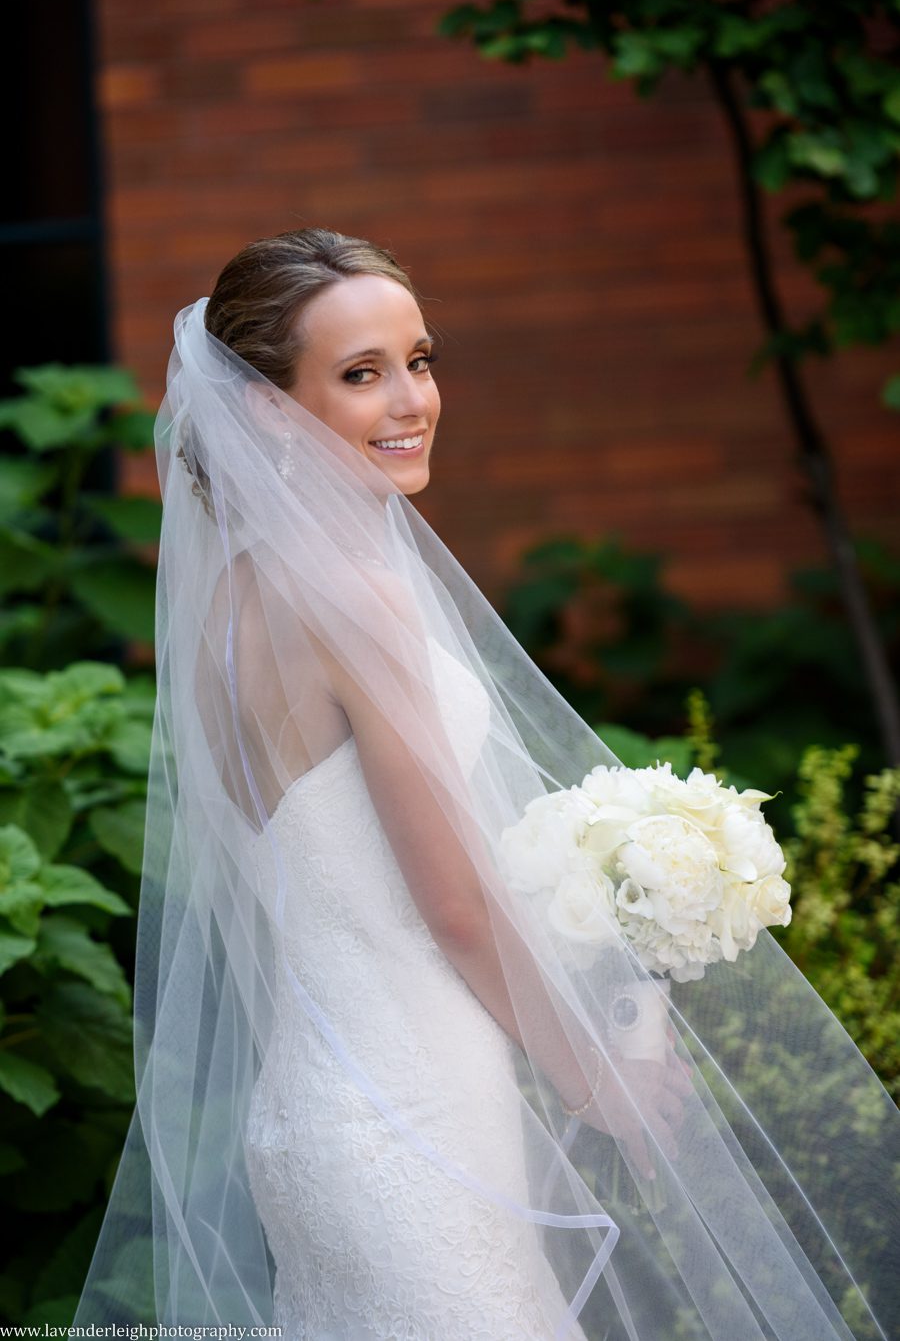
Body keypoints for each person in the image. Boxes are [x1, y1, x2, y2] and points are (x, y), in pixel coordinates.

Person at [72, 228, 899, 1340]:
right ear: (269, 408)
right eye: (361, 373)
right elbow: (452, 903)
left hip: (316, 1110)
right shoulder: (355, 599)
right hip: (417, 1120)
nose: (412, 398)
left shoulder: (236, 605)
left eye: (420, 358)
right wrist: (591, 1074)